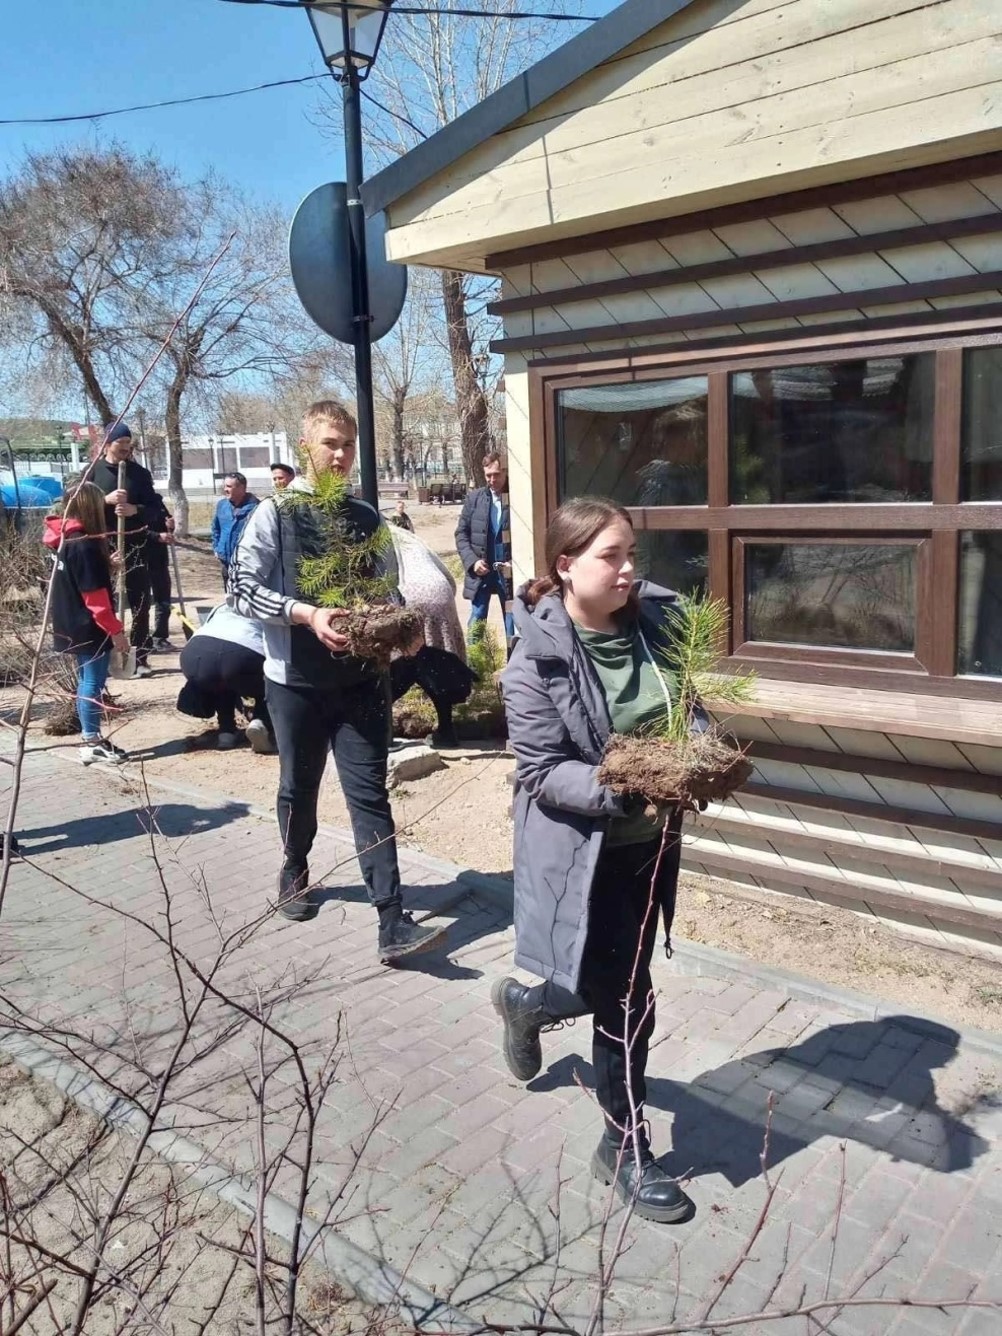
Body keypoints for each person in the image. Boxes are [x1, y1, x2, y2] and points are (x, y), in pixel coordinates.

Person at [493, 496, 699, 1225]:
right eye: (611, 556)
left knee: (605, 985)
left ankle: (527, 1001)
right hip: (584, 857)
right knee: (627, 997)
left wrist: (697, 756)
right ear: (565, 565)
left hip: (651, 850)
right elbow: (544, 771)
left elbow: (689, 710)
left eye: (631, 553)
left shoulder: (658, 628)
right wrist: (629, 791)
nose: (628, 569)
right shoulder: (534, 665)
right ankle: (624, 1145)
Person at [229, 398, 447, 962]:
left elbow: (388, 592)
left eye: (349, 444)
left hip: (360, 683)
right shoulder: (275, 513)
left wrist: (403, 629)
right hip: (296, 682)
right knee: (298, 790)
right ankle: (295, 869)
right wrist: (306, 614)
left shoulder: (367, 518)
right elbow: (241, 591)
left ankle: (392, 920)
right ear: (307, 446)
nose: (342, 455)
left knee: (370, 794)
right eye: (331, 443)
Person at [44, 482, 131, 766]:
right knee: (92, 683)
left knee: (86, 681)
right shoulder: (83, 544)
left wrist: (107, 567)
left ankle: (90, 737)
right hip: (88, 624)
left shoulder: (64, 538)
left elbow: (78, 578)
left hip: (69, 621)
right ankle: (91, 739)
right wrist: (116, 630)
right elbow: (95, 598)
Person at [387, 524, 474, 749]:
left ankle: (383, 731)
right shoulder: (409, 536)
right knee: (434, 666)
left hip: (407, 596)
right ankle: (446, 730)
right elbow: (448, 577)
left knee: (400, 665)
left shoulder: (374, 535)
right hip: (439, 592)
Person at [91, 421, 163, 679]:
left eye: (128, 446)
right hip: (102, 547)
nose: (125, 450)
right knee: (104, 603)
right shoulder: (92, 473)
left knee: (141, 603)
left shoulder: (139, 475)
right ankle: (106, 655)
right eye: (120, 445)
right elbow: (74, 507)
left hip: (134, 547)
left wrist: (136, 510)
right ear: (107, 444)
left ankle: (140, 657)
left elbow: (156, 510)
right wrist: (103, 501)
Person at [178, 603, 274, 752]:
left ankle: (226, 732)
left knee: (222, 683)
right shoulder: (269, 605)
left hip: (195, 653)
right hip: (243, 652)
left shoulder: (222, 605)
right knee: (272, 682)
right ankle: (260, 722)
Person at [455, 452, 515, 639]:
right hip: (481, 574)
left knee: (512, 624)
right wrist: (473, 562)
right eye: (488, 475)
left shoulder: (517, 499)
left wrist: (517, 562)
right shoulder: (474, 499)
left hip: (508, 575)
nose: (492, 479)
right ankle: (476, 666)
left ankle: (514, 665)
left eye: (496, 474)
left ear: (505, 472)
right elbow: (461, 534)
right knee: (477, 621)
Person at [212, 472, 259, 590]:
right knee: (229, 595)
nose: (225, 489)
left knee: (245, 596)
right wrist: (217, 548)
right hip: (226, 560)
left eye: (229, 486)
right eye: (225, 486)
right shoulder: (222, 505)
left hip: (246, 563)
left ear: (242, 488)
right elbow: (216, 528)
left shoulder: (257, 508)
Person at [146, 482, 176, 653]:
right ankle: (141, 639)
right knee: (141, 604)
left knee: (163, 599)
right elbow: (134, 531)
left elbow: (167, 524)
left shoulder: (157, 502)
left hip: (159, 559)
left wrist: (170, 526)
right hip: (139, 558)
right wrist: (157, 536)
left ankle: (160, 637)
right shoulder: (131, 505)